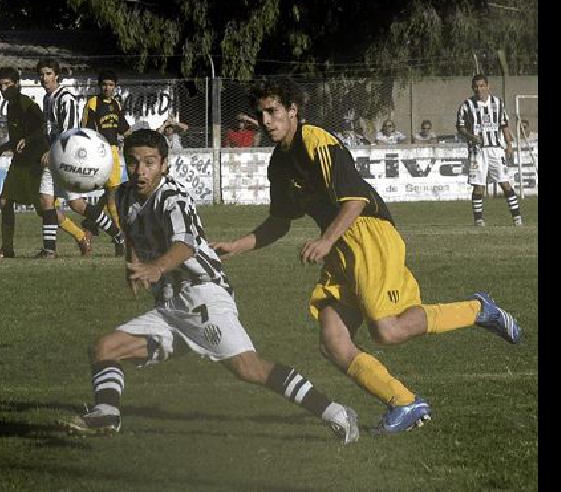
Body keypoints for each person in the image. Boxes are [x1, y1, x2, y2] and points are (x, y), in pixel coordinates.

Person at [211, 78, 522, 434]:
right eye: (261, 113)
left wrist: (326, 241)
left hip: (367, 232)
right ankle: (404, 401)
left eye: (273, 111)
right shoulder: (278, 166)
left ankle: (479, 310)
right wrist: (237, 245)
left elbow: (355, 199)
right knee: (332, 341)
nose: (266, 121)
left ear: (293, 110)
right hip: (341, 244)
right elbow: (279, 223)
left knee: (387, 331)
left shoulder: (317, 142)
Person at [62, 129, 359, 444]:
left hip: (203, 296)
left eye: (149, 162)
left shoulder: (173, 198)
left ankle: (337, 413)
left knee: (249, 368)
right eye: (134, 162)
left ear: (164, 164)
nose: (140, 170)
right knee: (105, 348)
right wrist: (132, 267)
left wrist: (156, 267)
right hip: (170, 307)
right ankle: (106, 413)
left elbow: (185, 245)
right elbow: (133, 234)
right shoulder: (122, 196)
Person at [0, 66, 50, 258]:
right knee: (5, 201)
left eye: (7, 84)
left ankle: (80, 236)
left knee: (45, 210)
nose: (3, 89)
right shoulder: (11, 107)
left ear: (16, 84)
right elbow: (17, 139)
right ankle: (7, 249)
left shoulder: (25, 103)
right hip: (19, 162)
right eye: (0, 85)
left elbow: (43, 127)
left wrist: (29, 140)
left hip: (34, 162)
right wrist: (0, 149)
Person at [35, 58, 92, 257]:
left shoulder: (66, 98)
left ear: (57, 75)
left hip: (66, 157)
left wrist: (51, 152)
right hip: (53, 156)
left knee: (76, 205)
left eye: (48, 73)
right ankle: (49, 250)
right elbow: (49, 129)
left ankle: (117, 234)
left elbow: (69, 132)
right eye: (41, 74)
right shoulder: (46, 98)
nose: (44, 78)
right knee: (45, 202)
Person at [456, 74, 525, 226]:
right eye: (476, 86)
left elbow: (504, 124)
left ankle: (517, 218)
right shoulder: (467, 105)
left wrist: (509, 144)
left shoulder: (498, 103)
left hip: (496, 149)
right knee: (479, 186)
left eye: (481, 86)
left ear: (488, 86)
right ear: (472, 88)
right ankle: (479, 220)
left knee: (505, 183)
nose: (478, 89)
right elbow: (460, 127)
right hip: (477, 151)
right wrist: (471, 136)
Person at [81, 69, 131, 255]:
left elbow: (123, 128)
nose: (107, 88)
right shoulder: (93, 103)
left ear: (115, 87)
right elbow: (86, 129)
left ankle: (91, 222)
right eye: (104, 85)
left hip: (113, 150)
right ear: (99, 86)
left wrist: (137, 138)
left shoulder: (117, 104)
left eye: (111, 85)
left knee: (112, 191)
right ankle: (118, 234)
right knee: (112, 193)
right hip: (99, 151)